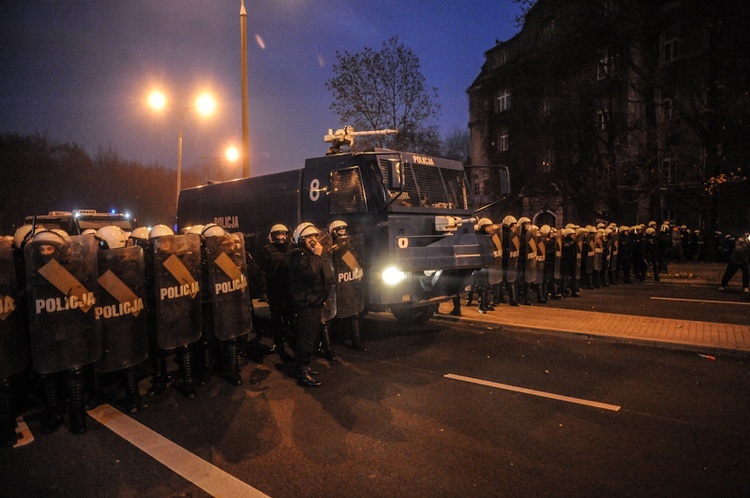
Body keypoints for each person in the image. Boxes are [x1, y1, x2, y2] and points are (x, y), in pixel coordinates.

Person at [288, 223, 334, 387]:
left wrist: (323, 296)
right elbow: (310, 274)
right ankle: (302, 373)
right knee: (305, 339)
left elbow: (322, 277)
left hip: (314, 301)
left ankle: (306, 367)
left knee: (311, 337)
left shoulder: (311, 255)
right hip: (305, 304)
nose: (313, 240)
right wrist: (317, 255)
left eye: (314, 236)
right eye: (308, 237)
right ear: (300, 240)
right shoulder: (298, 256)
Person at [257, 224, 293, 358]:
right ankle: (278, 343)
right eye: (278, 234)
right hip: (274, 289)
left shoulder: (291, 248)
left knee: (290, 317)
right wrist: (264, 290)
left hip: (289, 289)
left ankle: (289, 341)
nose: (281, 237)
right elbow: (262, 272)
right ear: (272, 236)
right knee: (277, 319)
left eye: (283, 234)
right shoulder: (267, 250)